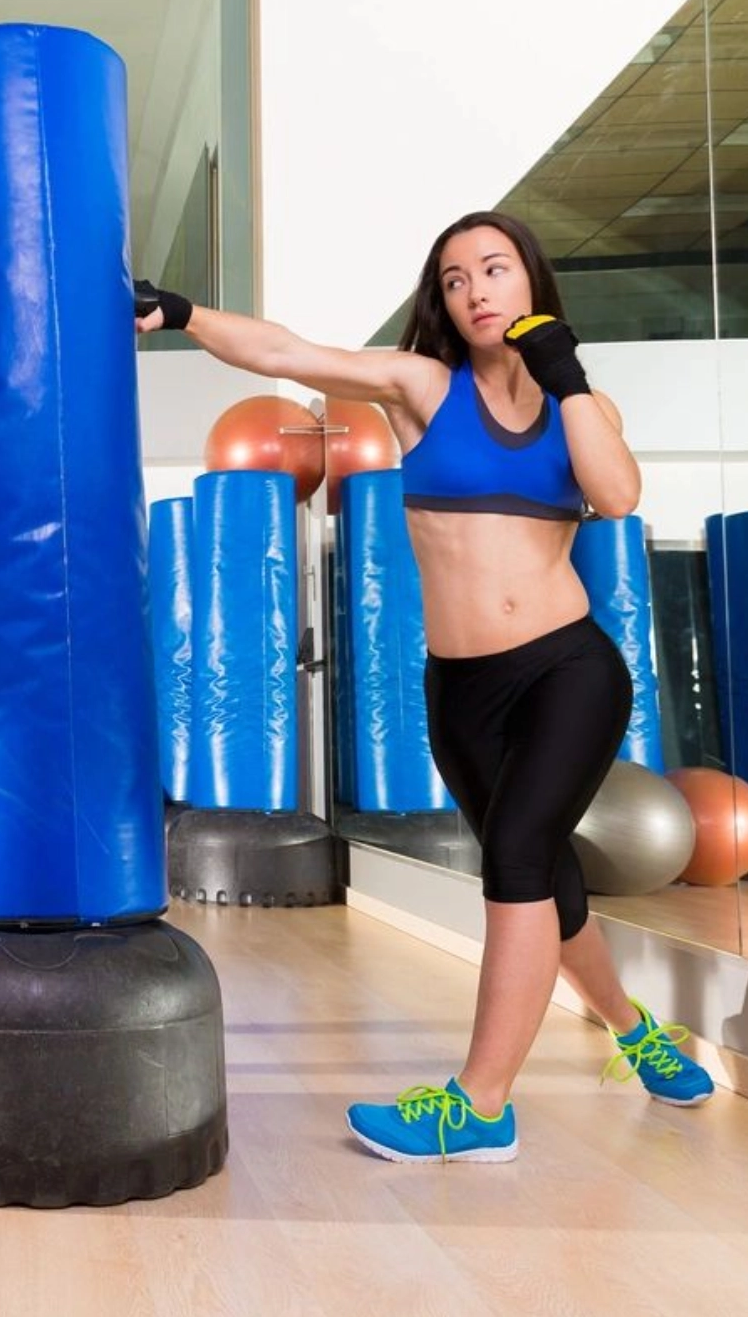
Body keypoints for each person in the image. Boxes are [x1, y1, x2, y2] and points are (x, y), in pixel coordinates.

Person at [137, 211, 714, 1163]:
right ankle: (635, 1031)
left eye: (494, 269)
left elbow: (616, 498)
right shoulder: (421, 388)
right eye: (454, 279)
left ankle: (480, 1107)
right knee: (547, 880)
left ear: (530, 283)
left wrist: (566, 377)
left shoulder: (584, 408)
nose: (476, 290)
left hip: (566, 669)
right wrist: (184, 311)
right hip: (461, 689)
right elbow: (289, 351)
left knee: (518, 859)